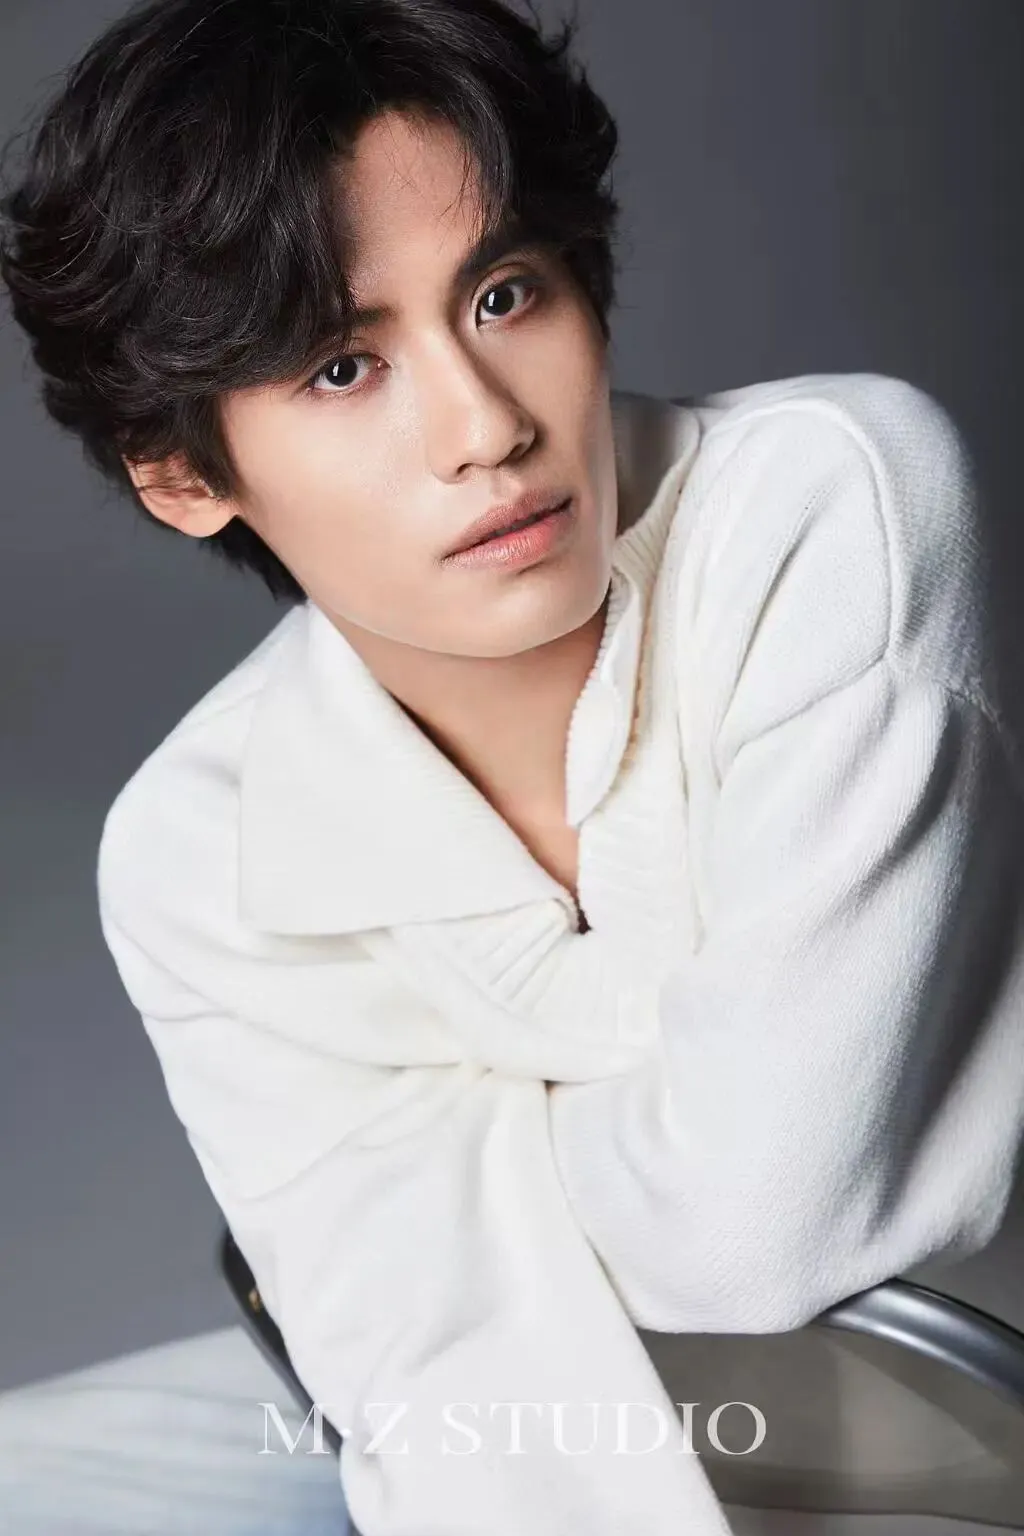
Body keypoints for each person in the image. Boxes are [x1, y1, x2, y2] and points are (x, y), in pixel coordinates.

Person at [2, 0, 1024, 1532]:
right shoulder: (196, 840)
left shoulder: (827, 501)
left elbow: (753, 1230)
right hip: (534, 1419)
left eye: (501, 294)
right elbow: (416, 1364)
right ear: (183, 473)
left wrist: (467, 1197)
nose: (484, 428)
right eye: (342, 368)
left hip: (943, 1427)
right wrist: (453, 1254)